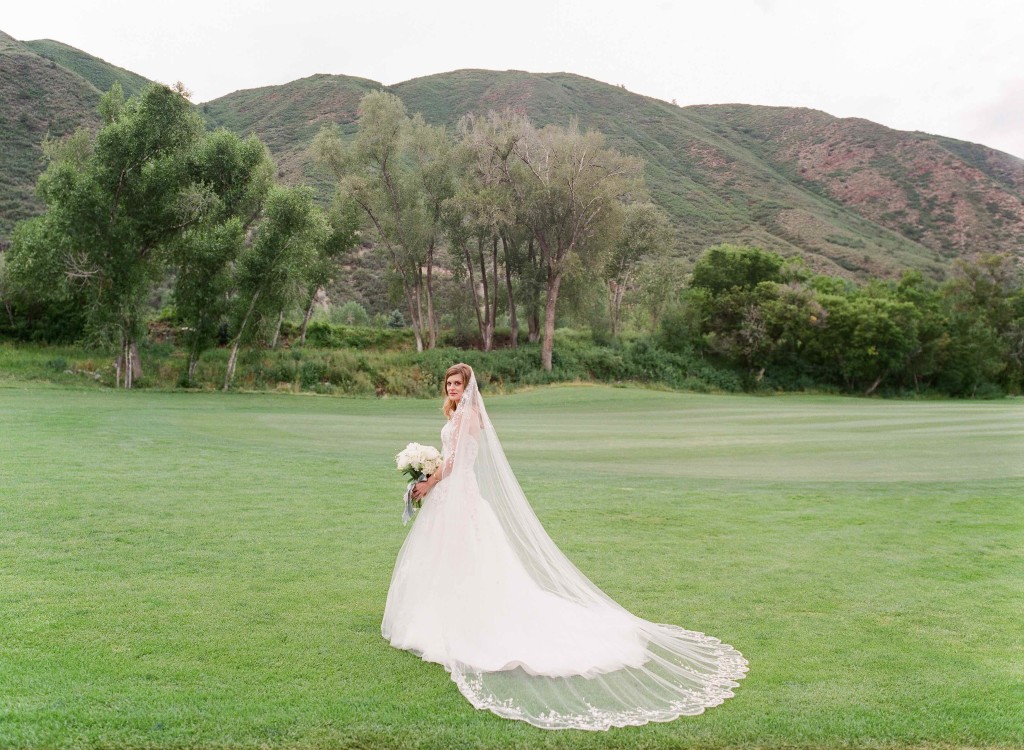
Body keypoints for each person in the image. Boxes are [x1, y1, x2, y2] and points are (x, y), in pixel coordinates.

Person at [382, 363, 747, 730]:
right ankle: (443, 609)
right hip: (454, 493)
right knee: (450, 557)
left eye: (457, 383)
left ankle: (464, 619)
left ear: (469, 386)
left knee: (466, 556)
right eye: (448, 383)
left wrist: (430, 481)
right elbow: (450, 459)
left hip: (459, 493)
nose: (452, 388)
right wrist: (429, 473)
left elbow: (457, 460)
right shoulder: (460, 414)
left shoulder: (468, 416)